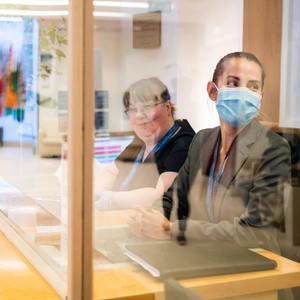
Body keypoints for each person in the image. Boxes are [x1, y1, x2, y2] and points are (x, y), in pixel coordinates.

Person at [128, 52, 291, 255]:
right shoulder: (202, 140)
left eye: (253, 86)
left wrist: (173, 230)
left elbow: (256, 231)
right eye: (233, 83)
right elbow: (174, 199)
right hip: (203, 256)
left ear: (260, 98)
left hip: (253, 262)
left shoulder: (273, 148)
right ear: (212, 92)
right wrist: (149, 219)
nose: (244, 92)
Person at [95, 77, 195, 210]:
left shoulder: (184, 144)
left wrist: (110, 199)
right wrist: (97, 194)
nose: (138, 115)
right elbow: (110, 171)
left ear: (167, 107)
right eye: (132, 110)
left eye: (147, 106)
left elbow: (161, 197)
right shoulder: (142, 141)